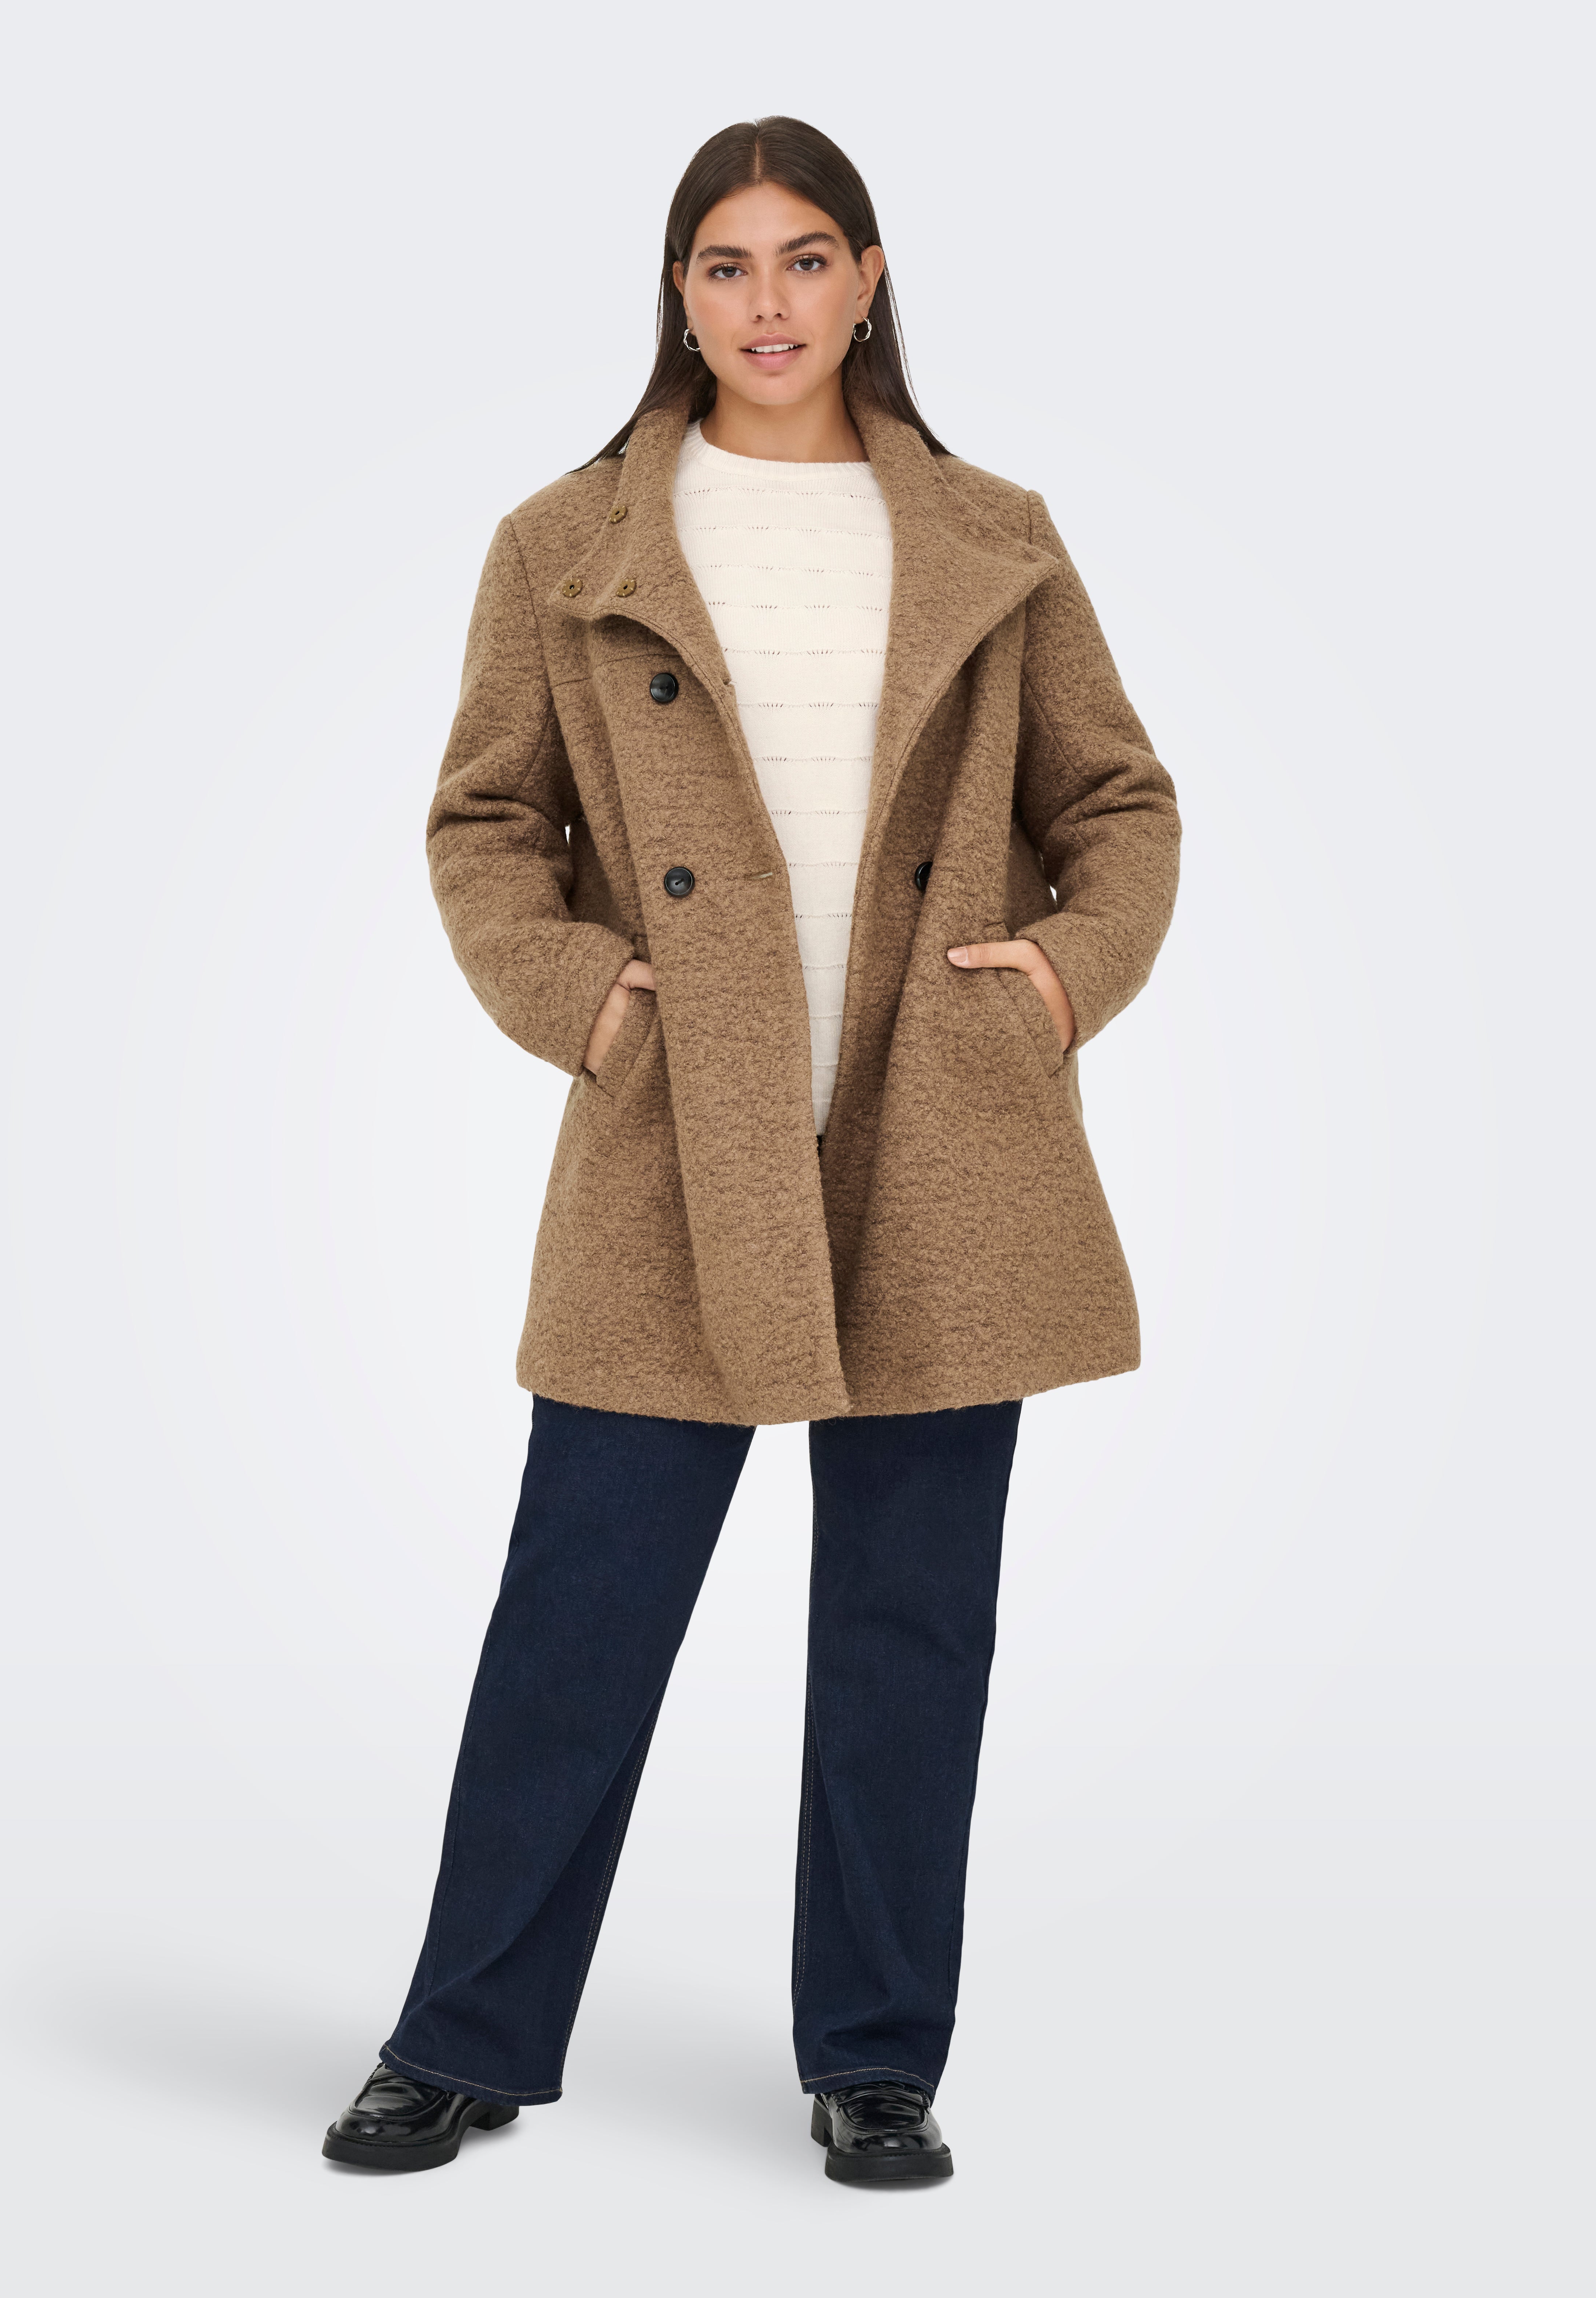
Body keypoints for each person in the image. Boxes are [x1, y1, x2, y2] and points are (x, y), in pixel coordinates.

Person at [322, 115, 1180, 2185]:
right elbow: (485, 822)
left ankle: (875, 2056)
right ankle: (464, 2036)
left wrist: (1055, 987)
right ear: (678, 291)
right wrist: (587, 1000)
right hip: (674, 1139)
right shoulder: (566, 539)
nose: (768, 301)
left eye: (807, 259)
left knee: (911, 1627)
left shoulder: (994, 531)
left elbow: (1118, 805)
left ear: (870, 281)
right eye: (726, 263)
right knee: (581, 1610)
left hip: (940, 1136)